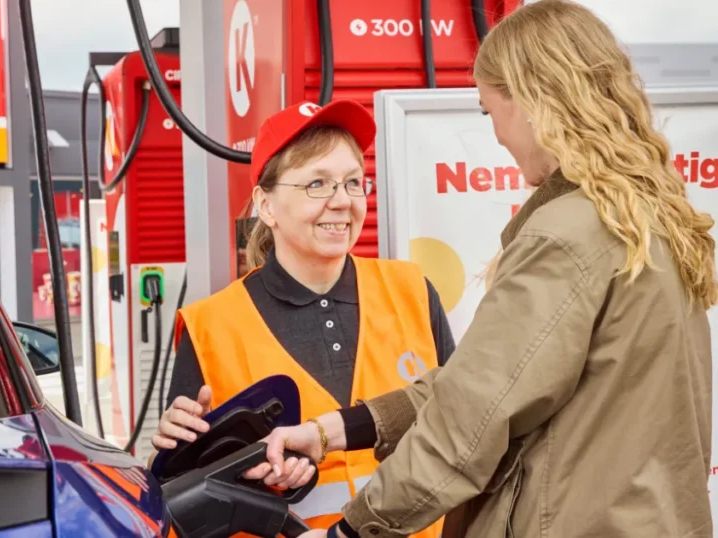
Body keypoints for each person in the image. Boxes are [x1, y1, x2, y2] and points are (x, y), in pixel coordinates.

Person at [250, 1, 717, 537]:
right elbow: (485, 385)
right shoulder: (644, 217)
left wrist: (353, 530)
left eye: (487, 110)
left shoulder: (565, 235)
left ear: (529, 101)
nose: (495, 133)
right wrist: (336, 430)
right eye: (316, 184)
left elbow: (470, 419)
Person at [150, 99, 456, 534]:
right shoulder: (210, 327)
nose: (342, 202)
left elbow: (463, 425)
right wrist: (174, 452)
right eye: (317, 184)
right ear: (266, 206)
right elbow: (180, 495)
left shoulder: (413, 291)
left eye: (354, 182)